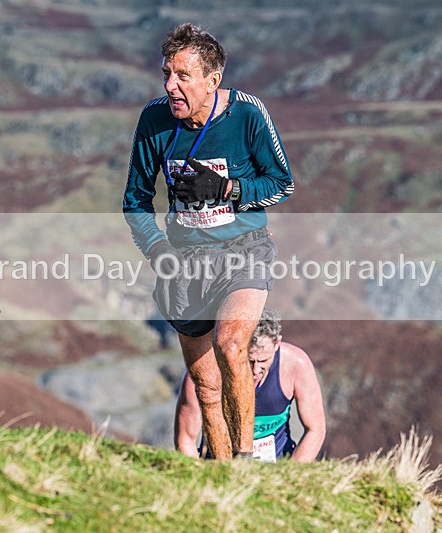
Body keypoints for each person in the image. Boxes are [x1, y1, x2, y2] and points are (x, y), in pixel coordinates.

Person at [123, 23, 294, 459]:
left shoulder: (247, 114)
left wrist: (227, 189)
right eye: (167, 74)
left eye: (183, 76)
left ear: (212, 80)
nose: (170, 86)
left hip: (244, 251)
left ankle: (244, 462)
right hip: (184, 261)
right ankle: (222, 475)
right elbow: (134, 201)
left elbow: (282, 183)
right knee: (206, 385)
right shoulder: (155, 119)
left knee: (232, 345)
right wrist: (158, 250)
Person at [175, 309, 326, 462]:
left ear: (277, 344)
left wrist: (291, 472)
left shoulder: (295, 364)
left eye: (263, 361)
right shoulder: (206, 373)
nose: (255, 370)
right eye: (248, 361)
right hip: (218, 467)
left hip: (278, 465)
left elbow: (315, 429)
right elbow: (186, 439)